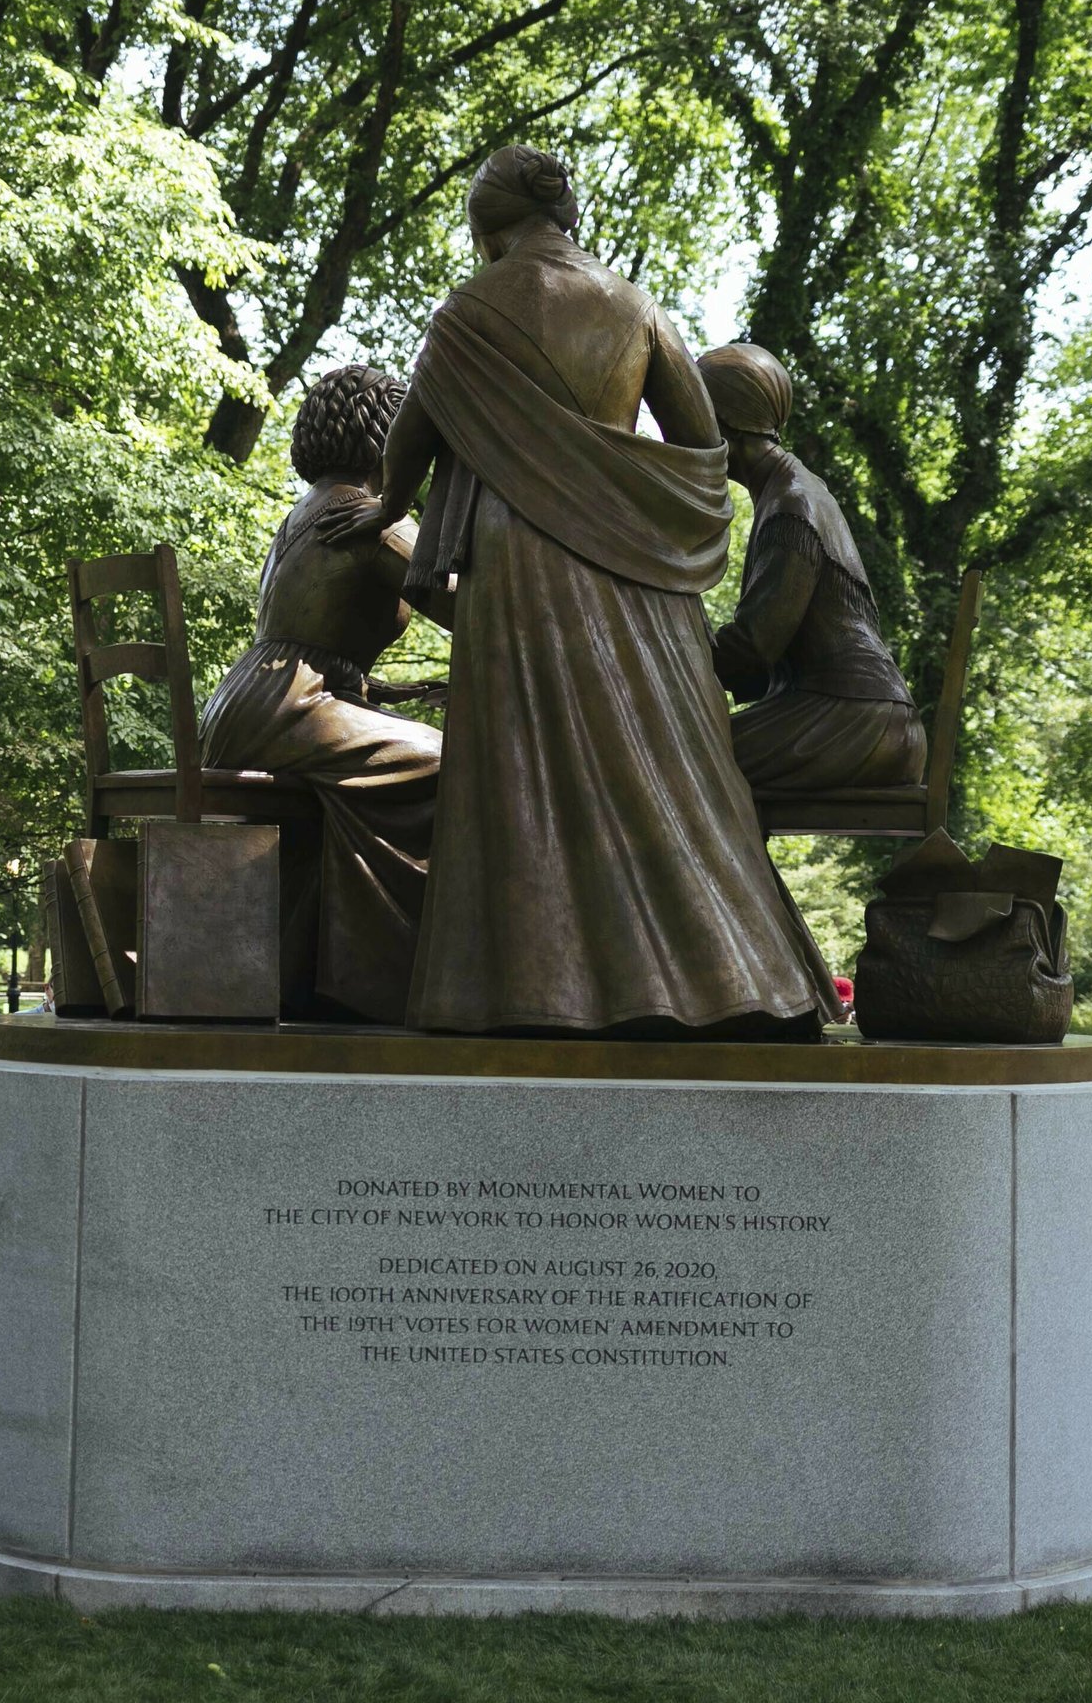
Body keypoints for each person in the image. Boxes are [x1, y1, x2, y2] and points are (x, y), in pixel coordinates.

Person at [332, 145, 833, 1036]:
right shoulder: (634, 306)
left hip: (513, 560)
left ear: (488, 226)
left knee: (520, 766)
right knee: (673, 762)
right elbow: (701, 445)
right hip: (634, 566)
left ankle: (526, 988)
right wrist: (629, 500)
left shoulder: (463, 314)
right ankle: (724, 978)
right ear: (565, 219)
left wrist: (389, 512)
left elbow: (413, 434)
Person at [198, 364, 449, 1024]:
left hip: (246, 702)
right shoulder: (370, 516)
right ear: (392, 440)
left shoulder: (307, 509)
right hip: (292, 708)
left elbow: (318, 637)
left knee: (393, 767)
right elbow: (464, 602)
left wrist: (391, 688)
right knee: (460, 767)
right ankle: (403, 974)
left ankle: (327, 973)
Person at [697, 343, 925, 794]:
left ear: (722, 422)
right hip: (861, 715)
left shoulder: (791, 507)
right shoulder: (790, 490)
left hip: (858, 721)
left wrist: (671, 656)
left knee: (681, 763)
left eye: (693, 417)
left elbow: (756, 645)